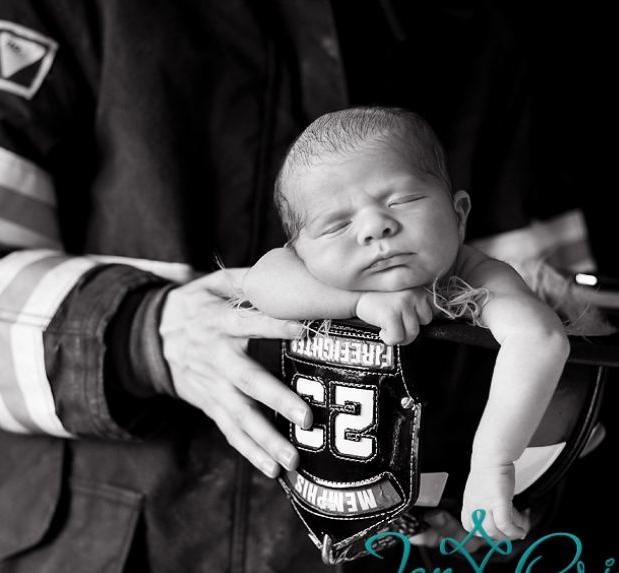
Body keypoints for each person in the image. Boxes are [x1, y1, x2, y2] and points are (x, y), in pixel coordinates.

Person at [0, 1, 595, 573]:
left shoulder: (466, 25)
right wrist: (145, 331)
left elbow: (549, 323)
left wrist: (516, 470)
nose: (374, 230)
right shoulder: (63, 5)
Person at [243, 106, 570, 541]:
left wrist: (494, 463)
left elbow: (540, 338)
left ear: (459, 213)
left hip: (457, 461)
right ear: (299, 252)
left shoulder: (474, 275)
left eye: (403, 200)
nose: (376, 227)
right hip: (328, 487)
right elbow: (260, 282)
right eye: (337, 225)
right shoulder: (304, 275)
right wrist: (359, 302)